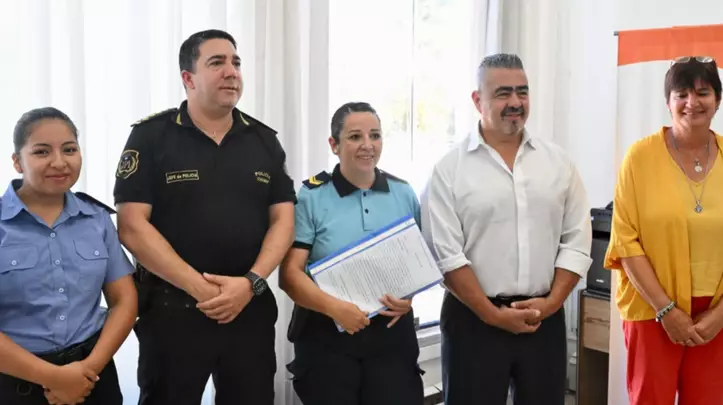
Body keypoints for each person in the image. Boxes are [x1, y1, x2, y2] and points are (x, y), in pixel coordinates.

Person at [113, 29, 296, 405]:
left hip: (248, 309)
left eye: (236, 63)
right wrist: (201, 290)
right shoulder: (151, 137)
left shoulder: (264, 140)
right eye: (217, 62)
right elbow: (131, 226)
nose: (231, 71)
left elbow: (283, 222)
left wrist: (250, 284)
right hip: (173, 313)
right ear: (188, 78)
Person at [420, 53, 592, 405]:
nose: (515, 102)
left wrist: (551, 303)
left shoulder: (558, 163)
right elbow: (445, 255)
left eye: (522, 92)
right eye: (503, 93)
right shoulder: (449, 170)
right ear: (477, 100)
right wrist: (492, 314)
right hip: (473, 320)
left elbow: (577, 240)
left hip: (544, 319)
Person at [280, 102, 425, 405]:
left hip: (391, 336)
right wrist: (335, 309)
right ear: (334, 145)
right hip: (327, 335)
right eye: (355, 137)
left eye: (375, 135)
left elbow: (418, 263)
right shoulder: (312, 195)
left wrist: (409, 298)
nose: (367, 145)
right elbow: (290, 276)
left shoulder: (404, 193)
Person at [604, 56, 723, 405]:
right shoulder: (639, 157)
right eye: (681, 93)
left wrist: (720, 315)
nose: (691, 102)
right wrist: (666, 310)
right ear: (668, 101)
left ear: (717, 99)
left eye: (703, 92)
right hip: (651, 308)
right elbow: (625, 241)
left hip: (716, 312)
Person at [0, 107, 137, 405]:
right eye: (41, 152)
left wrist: (87, 371)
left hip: (94, 377)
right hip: (16, 383)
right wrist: (55, 378)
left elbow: (125, 300)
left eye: (69, 149)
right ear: (17, 161)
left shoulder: (97, 219)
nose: (59, 162)